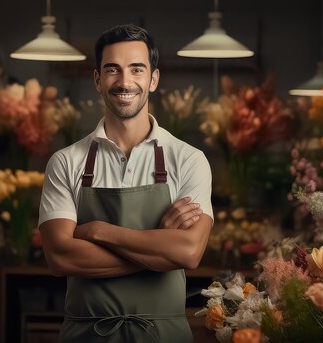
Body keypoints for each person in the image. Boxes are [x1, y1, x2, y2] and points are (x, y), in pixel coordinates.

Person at [38, 24, 214, 343]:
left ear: (153, 79)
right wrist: (160, 247)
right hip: (86, 335)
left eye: (136, 69)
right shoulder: (65, 162)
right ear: (97, 79)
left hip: (163, 335)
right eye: (112, 70)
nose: (124, 82)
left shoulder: (188, 159)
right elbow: (61, 257)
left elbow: (188, 253)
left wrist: (98, 232)